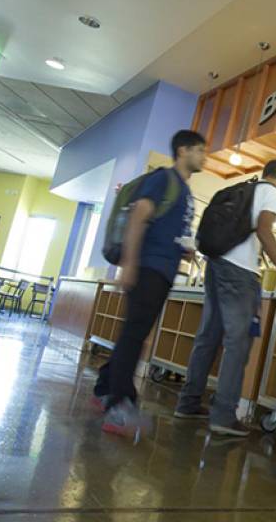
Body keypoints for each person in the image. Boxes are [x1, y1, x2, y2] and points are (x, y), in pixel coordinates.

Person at [174, 160, 276, 436]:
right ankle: (224, 416)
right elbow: (264, 229)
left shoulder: (243, 188)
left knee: (208, 336)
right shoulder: (272, 192)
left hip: (216, 264)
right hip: (240, 272)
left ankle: (187, 403)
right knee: (238, 343)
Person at [93, 130, 207, 436]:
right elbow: (139, 216)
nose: (204, 156)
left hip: (162, 268)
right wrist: (129, 264)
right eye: (199, 150)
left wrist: (181, 248)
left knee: (135, 333)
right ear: (182, 150)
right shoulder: (164, 180)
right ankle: (119, 406)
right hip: (148, 268)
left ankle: (105, 387)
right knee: (134, 336)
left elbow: (161, 226)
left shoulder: (183, 192)